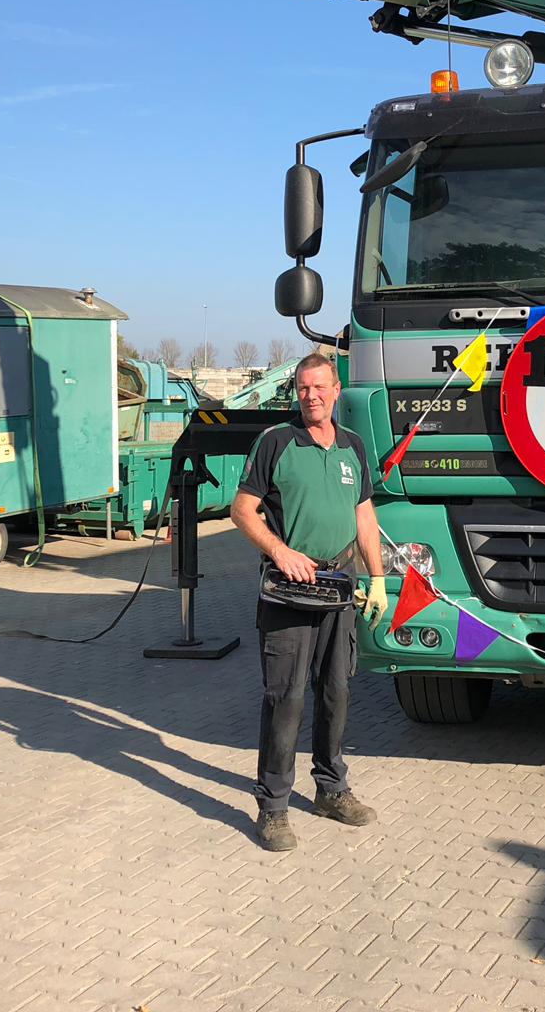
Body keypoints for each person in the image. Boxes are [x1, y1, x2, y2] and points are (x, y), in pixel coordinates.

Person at [230, 353, 389, 852]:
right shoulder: (276, 442)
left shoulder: (353, 447)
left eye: (319, 387)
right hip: (288, 591)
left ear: (336, 390)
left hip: (339, 588)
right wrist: (279, 550)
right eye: (302, 388)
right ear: (295, 391)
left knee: (336, 692)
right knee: (286, 698)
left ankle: (330, 789)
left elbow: (364, 515)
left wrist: (379, 576)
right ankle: (273, 807)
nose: (311, 396)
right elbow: (241, 510)